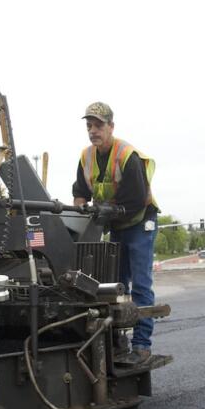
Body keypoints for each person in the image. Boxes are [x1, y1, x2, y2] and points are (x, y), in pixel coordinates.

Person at [72, 102, 159, 365]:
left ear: (111, 126)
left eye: (99, 125)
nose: (93, 131)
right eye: (89, 126)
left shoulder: (126, 155)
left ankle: (142, 345)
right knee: (115, 285)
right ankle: (119, 341)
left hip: (139, 221)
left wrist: (109, 210)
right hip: (116, 225)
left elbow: (136, 199)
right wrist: (78, 214)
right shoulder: (86, 157)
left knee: (140, 284)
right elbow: (80, 193)